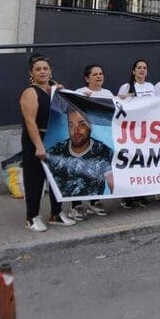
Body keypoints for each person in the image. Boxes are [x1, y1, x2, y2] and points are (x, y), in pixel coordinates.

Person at [18, 54, 75, 231]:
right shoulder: (30, 92)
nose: (42, 72)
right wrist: (39, 146)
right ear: (31, 73)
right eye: (38, 69)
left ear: (50, 72)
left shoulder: (53, 92)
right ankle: (32, 217)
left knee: (58, 178)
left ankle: (56, 214)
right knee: (35, 179)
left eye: (45, 69)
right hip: (37, 140)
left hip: (54, 139)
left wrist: (60, 93)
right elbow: (30, 122)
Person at [45, 107, 114, 204]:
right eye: (71, 125)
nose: (76, 130)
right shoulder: (56, 152)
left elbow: (112, 182)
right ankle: (75, 206)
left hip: (95, 197)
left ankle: (94, 203)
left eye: (82, 124)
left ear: (90, 126)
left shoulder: (102, 150)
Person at [71, 64, 115, 217]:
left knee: (98, 170)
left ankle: (94, 202)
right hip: (84, 139)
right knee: (80, 170)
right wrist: (82, 100)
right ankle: (76, 205)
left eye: (101, 73)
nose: (99, 76)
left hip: (101, 140)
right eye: (95, 74)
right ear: (87, 78)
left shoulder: (108, 93)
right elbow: (71, 111)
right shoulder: (79, 92)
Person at [116, 59, 154, 209]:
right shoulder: (126, 87)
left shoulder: (151, 86)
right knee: (130, 162)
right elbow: (119, 104)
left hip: (148, 130)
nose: (142, 70)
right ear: (133, 71)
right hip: (131, 130)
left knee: (143, 162)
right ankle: (127, 196)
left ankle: (141, 194)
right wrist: (126, 98)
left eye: (144, 68)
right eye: (139, 68)